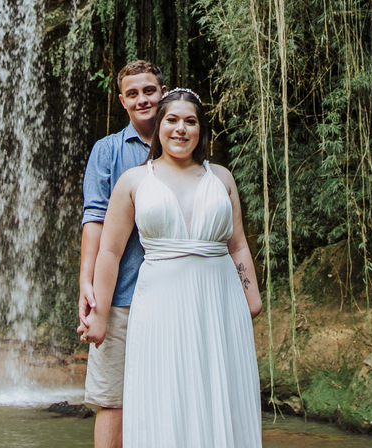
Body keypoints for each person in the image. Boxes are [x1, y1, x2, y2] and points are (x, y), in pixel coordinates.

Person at [82, 89, 263, 448]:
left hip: (219, 303)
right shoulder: (134, 180)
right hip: (158, 304)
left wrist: (251, 298)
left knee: (218, 391)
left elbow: (238, 244)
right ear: (159, 127)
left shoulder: (222, 178)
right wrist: (99, 316)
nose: (181, 129)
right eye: (172, 120)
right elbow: (110, 253)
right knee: (166, 392)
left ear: (201, 130)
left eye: (190, 121)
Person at [79, 60, 167, 448]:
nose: (142, 99)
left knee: (169, 398)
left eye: (149, 90)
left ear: (163, 92)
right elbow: (94, 220)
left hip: (172, 297)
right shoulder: (108, 150)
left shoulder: (184, 144)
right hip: (120, 297)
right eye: (133, 93)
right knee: (112, 399)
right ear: (122, 101)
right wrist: (87, 284)